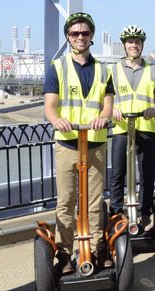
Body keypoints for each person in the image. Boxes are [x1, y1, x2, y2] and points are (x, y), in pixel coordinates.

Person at [43, 12, 115, 273]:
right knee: (66, 202)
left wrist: (103, 118)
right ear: (68, 37)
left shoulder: (103, 70)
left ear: (91, 36)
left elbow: (108, 106)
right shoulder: (57, 67)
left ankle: (98, 250)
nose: (80, 37)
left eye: (85, 33)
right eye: (75, 34)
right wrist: (57, 120)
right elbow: (50, 106)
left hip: (94, 143)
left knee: (95, 202)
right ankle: (64, 254)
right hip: (67, 143)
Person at [108, 25, 155, 226]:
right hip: (121, 127)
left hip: (145, 127)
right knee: (117, 173)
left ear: (142, 45)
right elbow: (105, 99)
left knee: (147, 172)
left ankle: (144, 212)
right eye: (130, 42)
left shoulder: (153, 71)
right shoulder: (113, 70)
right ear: (124, 45)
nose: (134, 45)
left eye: (137, 42)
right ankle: (115, 212)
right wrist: (112, 108)